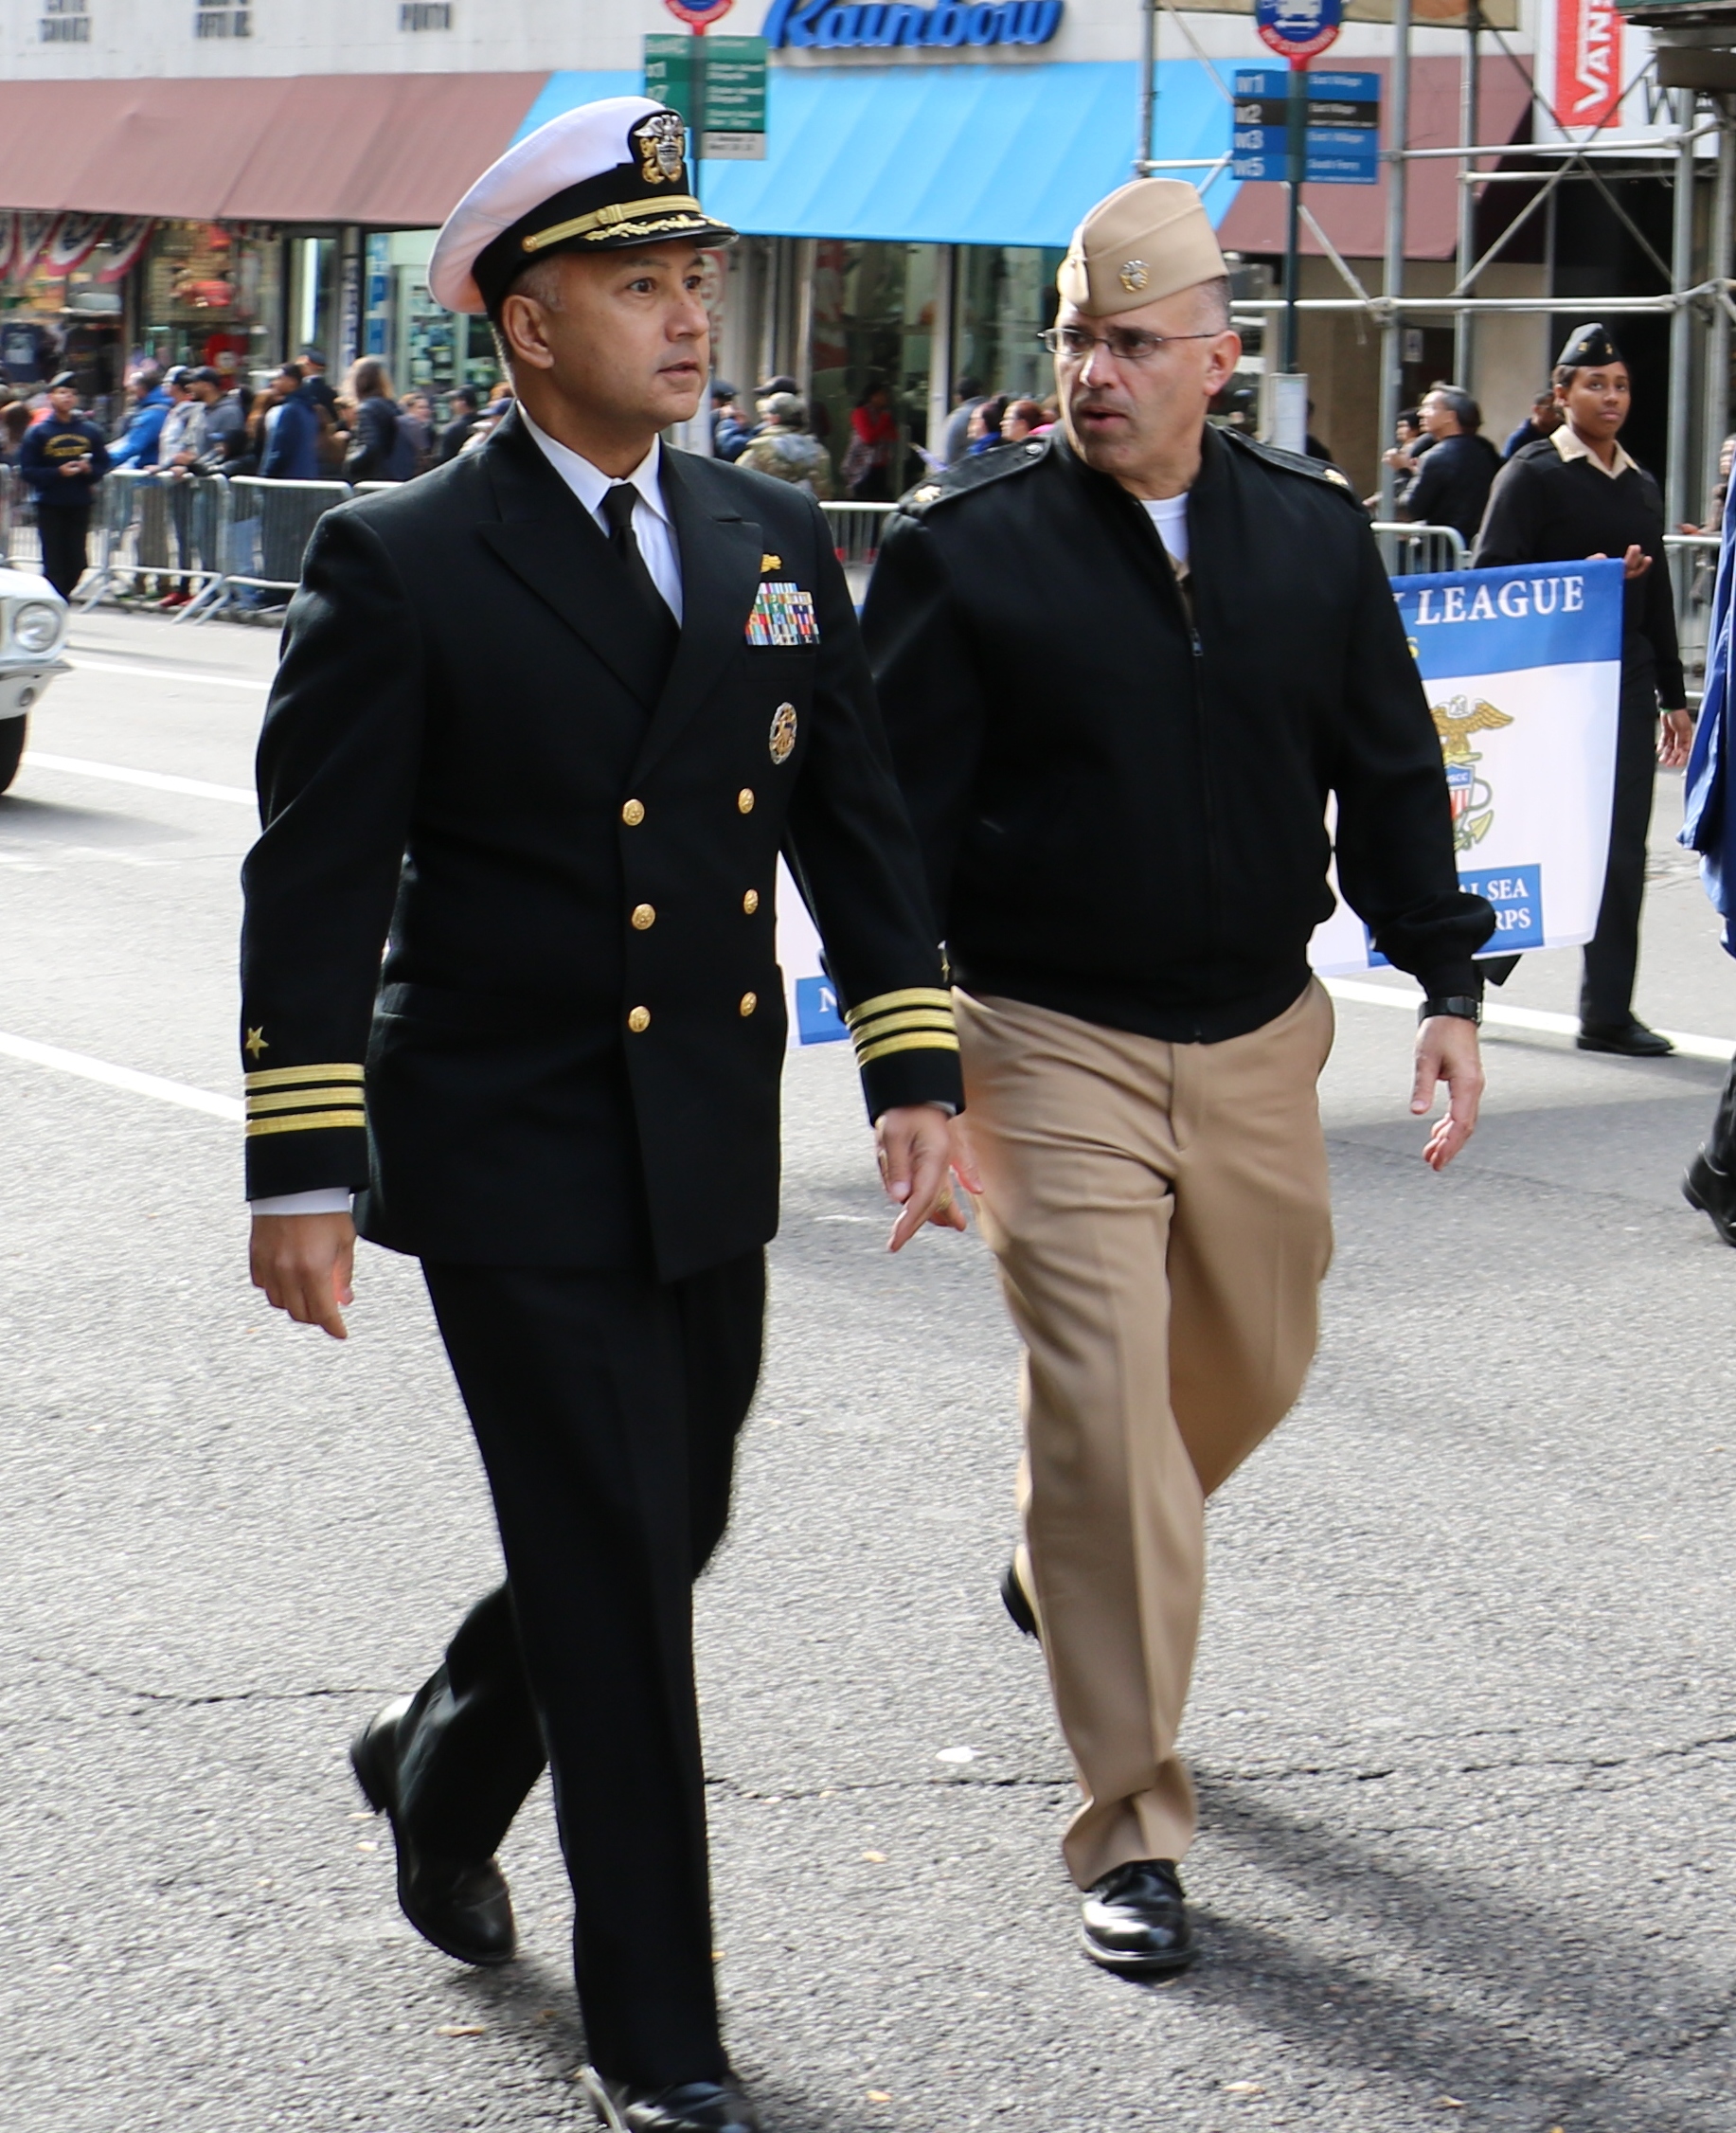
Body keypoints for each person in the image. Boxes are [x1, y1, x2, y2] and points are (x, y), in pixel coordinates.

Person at [239, 96, 962, 2133]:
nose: (683, 317)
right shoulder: (401, 561)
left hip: (698, 1131)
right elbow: (308, 885)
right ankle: (662, 2037)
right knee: (623, 1573)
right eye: (636, 284)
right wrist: (300, 1162)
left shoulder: (762, 533)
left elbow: (856, 817)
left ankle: (439, 1756)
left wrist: (914, 1063)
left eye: (694, 278)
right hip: (503, 1137)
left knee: (672, 1521)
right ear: (525, 324)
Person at [862, 177, 1491, 1980]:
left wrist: (1446, 977)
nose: (1093, 371)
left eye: (1133, 342)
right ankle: (1128, 1822)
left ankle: (1064, 1554)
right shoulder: (963, 549)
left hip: (1254, 1037)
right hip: (1042, 1044)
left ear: (1222, 355)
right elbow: (889, 837)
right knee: (1109, 1416)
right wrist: (909, 1061)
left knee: (1258, 1356)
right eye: (1075, 335)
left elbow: (1386, 769)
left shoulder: (1308, 538)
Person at [1476, 322, 1693, 1056]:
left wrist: (1672, 694)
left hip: (1621, 684)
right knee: (1529, 836)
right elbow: (1489, 581)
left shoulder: (1638, 482)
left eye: (1621, 385)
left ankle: (1606, 1011)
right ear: (1561, 393)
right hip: (1546, 686)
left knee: (1619, 850)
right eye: (1594, 384)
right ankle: (1465, 979)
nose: (1610, 396)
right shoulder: (1529, 475)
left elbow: (1657, 592)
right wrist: (1583, 579)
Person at [18, 371, 109, 600]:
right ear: (51, 397)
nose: (67, 398)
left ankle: (58, 597)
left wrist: (91, 471)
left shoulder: (89, 430)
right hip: (50, 503)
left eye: (72, 394)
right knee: (54, 562)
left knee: (78, 562)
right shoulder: (38, 432)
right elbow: (28, 470)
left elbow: (103, 461)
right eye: (62, 393)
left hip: (79, 502)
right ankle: (55, 603)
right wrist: (57, 472)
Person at [1402, 383, 1501, 545]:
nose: (1421, 413)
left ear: (1450, 416)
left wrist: (1405, 471)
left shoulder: (1437, 456)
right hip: (1474, 544)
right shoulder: (1485, 449)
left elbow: (1413, 508)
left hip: (1438, 551)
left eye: (1429, 407)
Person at [736, 390, 833, 496]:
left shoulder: (760, 450)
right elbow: (825, 490)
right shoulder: (819, 451)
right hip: (809, 511)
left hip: (768, 511)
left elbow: (737, 483)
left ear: (775, 419)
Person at [342, 359, 418, 482]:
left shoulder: (366, 409)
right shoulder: (391, 406)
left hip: (373, 478)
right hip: (394, 476)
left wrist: (350, 463)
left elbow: (370, 446)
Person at [259, 363, 320, 481]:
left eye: (279, 378)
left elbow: (280, 450)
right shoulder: (309, 409)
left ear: (292, 381)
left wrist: (266, 476)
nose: (274, 383)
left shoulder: (290, 410)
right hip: (306, 478)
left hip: (287, 481)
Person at [108, 364, 172, 470]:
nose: (130, 397)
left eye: (132, 391)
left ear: (141, 388)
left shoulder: (153, 414)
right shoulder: (156, 409)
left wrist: (102, 462)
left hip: (148, 475)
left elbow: (133, 444)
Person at [843, 382, 898, 500]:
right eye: (882, 394)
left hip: (880, 463)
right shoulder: (861, 413)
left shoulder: (884, 414)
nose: (885, 398)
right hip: (863, 465)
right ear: (873, 397)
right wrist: (883, 421)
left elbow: (893, 436)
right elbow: (868, 438)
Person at [1502, 388, 1563, 460]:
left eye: (1559, 410)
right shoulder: (1519, 439)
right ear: (1536, 409)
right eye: (1551, 409)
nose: (1557, 416)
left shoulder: (1561, 434)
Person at [940, 375, 985, 465]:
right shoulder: (996, 410)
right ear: (980, 391)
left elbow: (949, 455)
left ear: (957, 398)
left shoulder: (956, 418)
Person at [437, 384, 484, 463]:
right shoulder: (487, 424)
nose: (451, 404)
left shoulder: (452, 429)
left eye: (454, 400)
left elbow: (443, 460)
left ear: (462, 402)